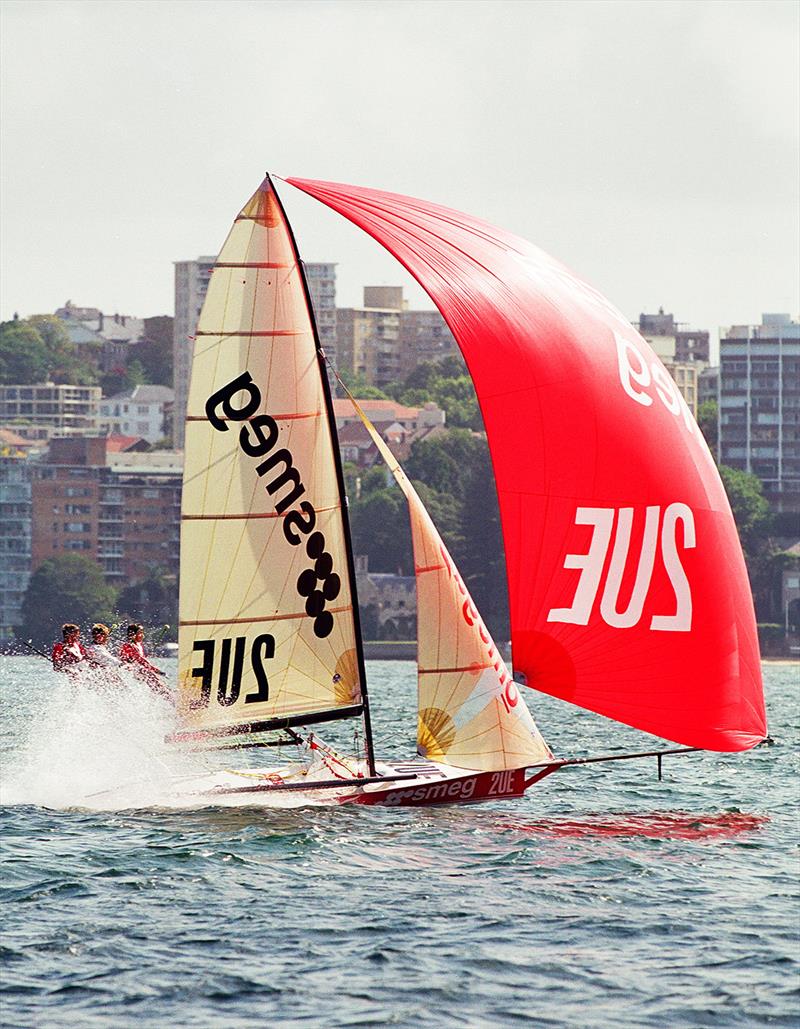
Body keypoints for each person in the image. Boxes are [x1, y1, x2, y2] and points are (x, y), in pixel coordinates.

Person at [120, 623, 171, 701]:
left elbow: (142, 660)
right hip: (135, 671)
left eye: (142, 632)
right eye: (140, 633)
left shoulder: (138, 644)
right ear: (133, 635)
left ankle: (173, 699)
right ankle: (174, 702)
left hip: (140, 670)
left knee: (160, 685)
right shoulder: (129, 646)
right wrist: (158, 671)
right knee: (157, 683)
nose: (142, 635)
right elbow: (141, 661)